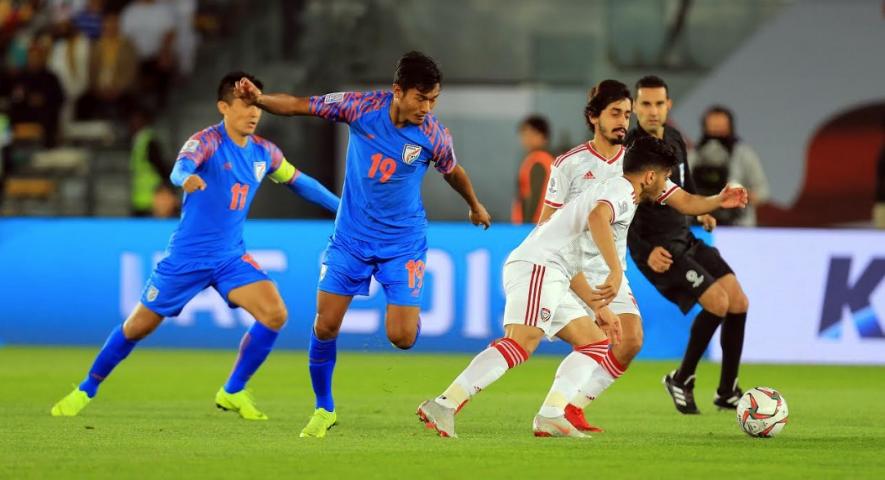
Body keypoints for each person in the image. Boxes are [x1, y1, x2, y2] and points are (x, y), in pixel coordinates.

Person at [49, 72, 340, 419]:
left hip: (231, 257)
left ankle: (232, 390)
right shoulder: (207, 142)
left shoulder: (265, 152)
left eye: (257, 103)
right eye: (245, 103)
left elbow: (300, 182)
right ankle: (86, 389)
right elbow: (180, 168)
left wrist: (343, 209)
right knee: (138, 327)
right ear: (223, 107)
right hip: (187, 259)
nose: (253, 111)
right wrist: (185, 178)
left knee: (275, 313)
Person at [234, 51, 492, 438]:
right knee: (326, 325)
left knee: (402, 338)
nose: (427, 107)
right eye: (421, 98)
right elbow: (301, 106)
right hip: (351, 239)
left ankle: (409, 309)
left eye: (433, 99)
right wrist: (261, 100)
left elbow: (453, 173)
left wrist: (474, 206)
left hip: (402, 243)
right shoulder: (360, 107)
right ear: (398, 91)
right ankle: (324, 408)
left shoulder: (433, 135)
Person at [418, 136, 685, 438]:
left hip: (555, 270)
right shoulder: (622, 192)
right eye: (664, 177)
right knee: (521, 342)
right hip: (539, 266)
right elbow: (597, 218)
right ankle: (445, 403)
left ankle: (552, 414)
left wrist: (599, 306)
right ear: (650, 176)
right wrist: (613, 270)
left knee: (594, 341)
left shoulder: (614, 192)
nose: (665, 185)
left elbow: (571, 262)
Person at [537, 79, 748, 431]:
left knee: (637, 337)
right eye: (626, 111)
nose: (637, 116)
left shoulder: (655, 152)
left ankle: (571, 408)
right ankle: (525, 409)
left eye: (629, 113)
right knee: (555, 340)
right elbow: (571, 217)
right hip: (604, 258)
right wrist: (644, 251)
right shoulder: (595, 158)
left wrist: (711, 203)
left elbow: (683, 193)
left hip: (646, 251)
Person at [626, 75, 751, 413]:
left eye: (659, 104)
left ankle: (727, 391)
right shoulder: (629, 151)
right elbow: (619, 209)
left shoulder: (674, 139)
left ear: (669, 106)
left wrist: (703, 209)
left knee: (738, 301)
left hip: (685, 236)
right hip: (659, 250)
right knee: (717, 302)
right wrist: (645, 250)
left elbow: (686, 183)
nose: (653, 111)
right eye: (646, 104)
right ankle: (681, 378)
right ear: (635, 107)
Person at [690, 105, 769, 227]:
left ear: (730, 128)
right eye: (712, 127)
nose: (716, 131)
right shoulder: (693, 156)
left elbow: (763, 192)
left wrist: (739, 194)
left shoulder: (744, 155)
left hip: (738, 227)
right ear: (704, 127)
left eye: (720, 128)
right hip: (699, 226)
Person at [512, 115, 553, 224]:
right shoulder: (541, 159)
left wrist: (527, 225)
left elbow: (535, 197)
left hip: (533, 225)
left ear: (542, 136)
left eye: (529, 134)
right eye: (523, 134)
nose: (525, 139)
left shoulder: (539, 161)